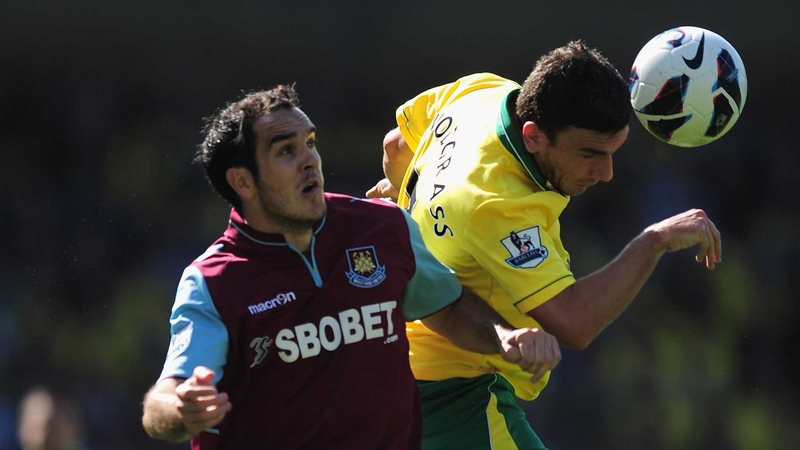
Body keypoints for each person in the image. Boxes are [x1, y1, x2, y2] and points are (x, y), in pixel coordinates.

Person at [140, 85, 562, 450]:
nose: (310, 160)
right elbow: (162, 401)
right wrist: (181, 408)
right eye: (286, 151)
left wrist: (506, 336)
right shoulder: (214, 282)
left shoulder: (382, 227)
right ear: (243, 182)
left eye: (310, 143)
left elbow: (447, 308)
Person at [366, 40, 722, 449]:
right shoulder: (496, 205)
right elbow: (575, 322)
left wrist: (403, 190)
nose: (605, 172)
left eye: (613, 152)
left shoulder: (482, 92)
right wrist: (654, 240)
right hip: (451, 395)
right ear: (532, 136)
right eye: (589, 153)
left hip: (402, 372)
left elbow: (397, 143)